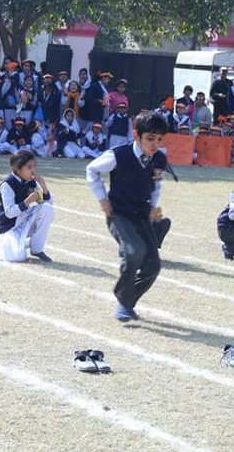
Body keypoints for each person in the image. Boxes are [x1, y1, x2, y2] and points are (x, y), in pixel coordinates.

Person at [85, 112, 168, 322]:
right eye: (150, 138)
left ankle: (127, 301)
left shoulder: (159, 158)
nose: (155, 144)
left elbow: (156, 183)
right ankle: (123, 299)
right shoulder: (118, 155)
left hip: (142, 214)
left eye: (159, 139)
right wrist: (102, 199)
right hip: (119, 214)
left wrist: (154, 206)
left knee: (153, 266)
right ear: (136, 135)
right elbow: (92, 170)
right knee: (133, 251)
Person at [0, 151, 53, 263]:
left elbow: (47, 203)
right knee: (17, 258)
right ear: (17, 169)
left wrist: (44, 187)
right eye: (29, 167)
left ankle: (37, 249)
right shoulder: (7, 185)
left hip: (24, 221)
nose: (33, 170)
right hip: (10, 227)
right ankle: (23, 243)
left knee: (47, 208)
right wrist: (27, 202)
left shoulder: (31, 182)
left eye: (34, 167)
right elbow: (9, 213)